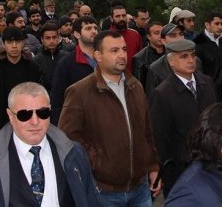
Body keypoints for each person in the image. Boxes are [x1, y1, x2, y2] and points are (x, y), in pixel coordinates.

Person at [0, 82, 101, 207]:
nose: (35, 121)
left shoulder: (74, 153)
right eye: (24, 115)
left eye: (42, 113)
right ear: (10, 116)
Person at [59, 31, 161, 206]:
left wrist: (152, 167)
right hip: (104, 191)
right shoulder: (80, 92)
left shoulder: (135, 86)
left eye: (123, 49)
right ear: (98, 55)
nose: (122, 55)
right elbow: (67, 137)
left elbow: (146, 131)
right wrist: (98, 161)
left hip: (140, 187)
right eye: (114, 51)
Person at [149, 39, 217, 196]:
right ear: (171, 61)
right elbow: (159, 138)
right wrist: (163, 171)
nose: (190, 60)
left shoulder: (207, 82)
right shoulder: (162, 94)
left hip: (211, 163)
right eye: (184, 56)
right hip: (181, 169)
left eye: (192, 55)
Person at [0, 27, 41, 130]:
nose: (14, 46)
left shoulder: (33, 68)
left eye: (17, 42)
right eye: (9, 42)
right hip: (3, 123)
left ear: (23, 43)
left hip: (30, 120)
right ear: (3, 44)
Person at [50, 16, 98, 125]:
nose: (94, 31)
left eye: (95, 28)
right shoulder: (66, 63)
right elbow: (57, 99)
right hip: (77, 123)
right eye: (88, 28)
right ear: (77, 34)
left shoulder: (105, 59)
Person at [194, 11, 222, 101]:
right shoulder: (198, 44)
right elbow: (197, 73)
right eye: (216, 24)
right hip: (210, 95)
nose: (220, 27)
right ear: (207, 25)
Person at [33, 23, 69, 94]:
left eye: (54, 37)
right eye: (48, 38)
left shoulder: (66, 57)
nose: (51, 41)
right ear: (42, 39)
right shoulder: (36, 59)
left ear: (58, 38)